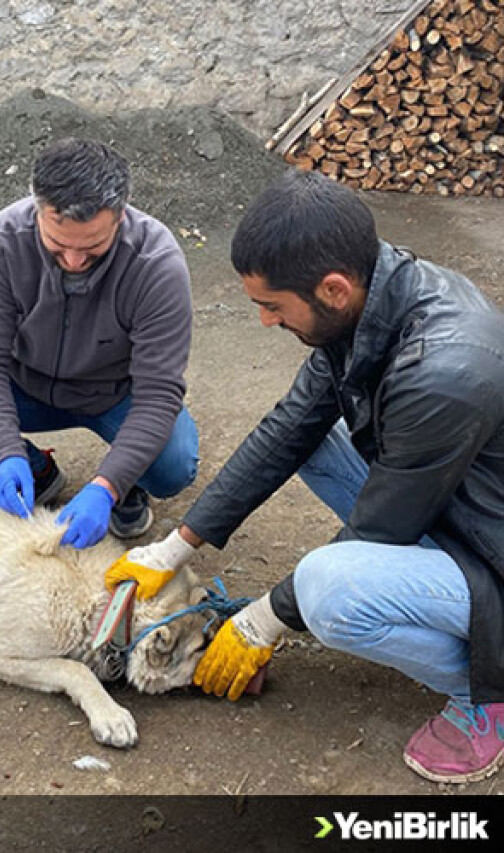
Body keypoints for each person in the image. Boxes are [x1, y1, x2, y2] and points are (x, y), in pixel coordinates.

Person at [109, 169, 504, 784]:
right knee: (314, 440)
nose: (266, 322)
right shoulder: (374, 301)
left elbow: (383, 526)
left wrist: (264, 618)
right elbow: (288, 430)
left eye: (272, 307)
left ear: (333, 289)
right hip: (462, 508)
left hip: (492, 550)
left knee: (327, 589)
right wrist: (174, 547)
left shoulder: (444, 371)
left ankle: (488, 694)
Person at [0, 137, 198, 547]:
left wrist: (108, 484)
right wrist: (5, 453)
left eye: (92, 246)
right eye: (58, 244)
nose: (74, 261)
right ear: (37, 208)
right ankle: (35, 471)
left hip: (114, 393)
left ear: (120, 215)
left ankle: (124, 485)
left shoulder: (156, 264)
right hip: (25, 384)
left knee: (173, 464)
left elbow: (158, 393)